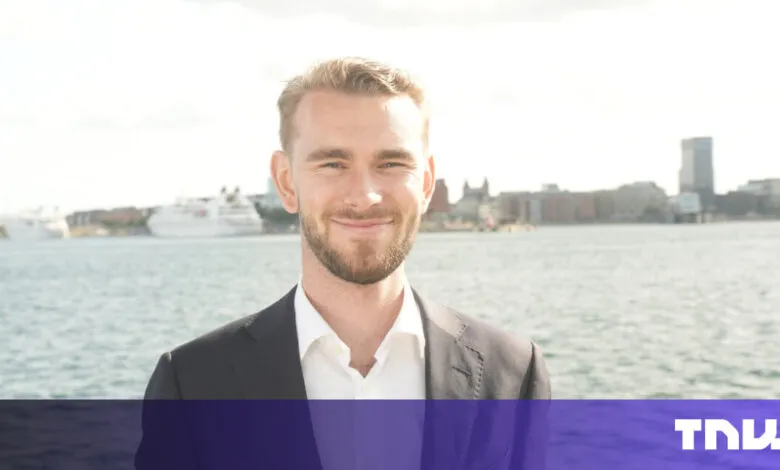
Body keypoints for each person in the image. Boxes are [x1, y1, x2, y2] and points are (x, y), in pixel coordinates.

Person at [136, 57, 551, 470]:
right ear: (285, 182)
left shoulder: (511, 372)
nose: (365, 195)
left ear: (425, 184)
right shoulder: (192, 384)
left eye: (391, 163)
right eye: (333, 164)